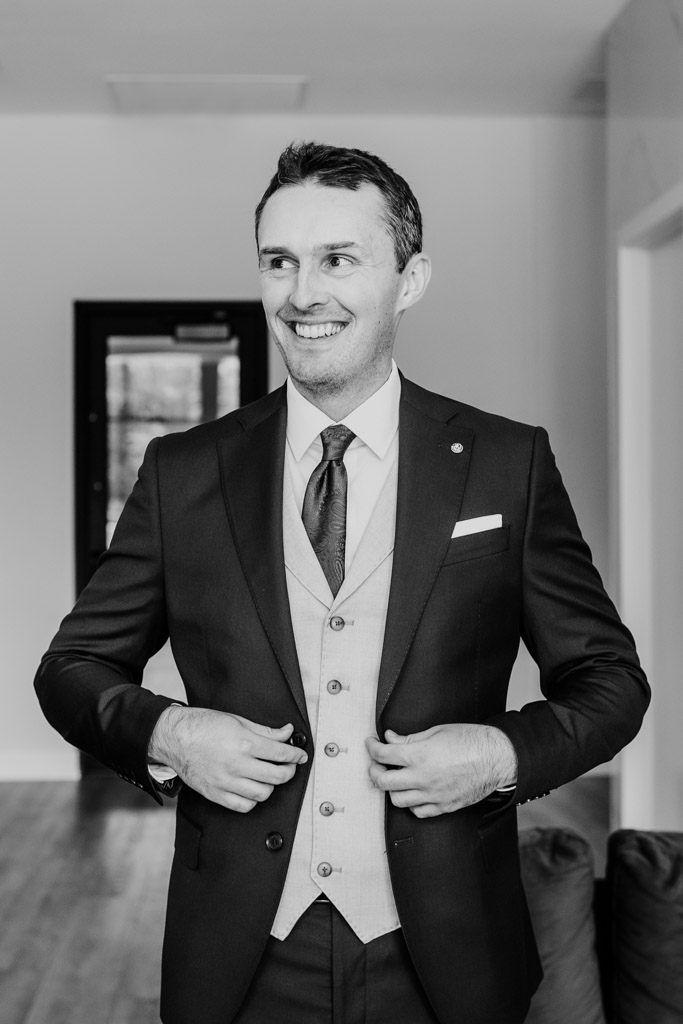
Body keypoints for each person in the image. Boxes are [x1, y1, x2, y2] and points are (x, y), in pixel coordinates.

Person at [35, 142, 649, 1024]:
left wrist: (502, 754)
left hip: (447, 949)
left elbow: (612, 682)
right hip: (240, 953)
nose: (302, 293)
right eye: (279, 262)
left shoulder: (504, 465)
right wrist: (169, 732)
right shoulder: (182, 473)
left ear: (409, 279)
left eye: (338, 259)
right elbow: (72, 667)